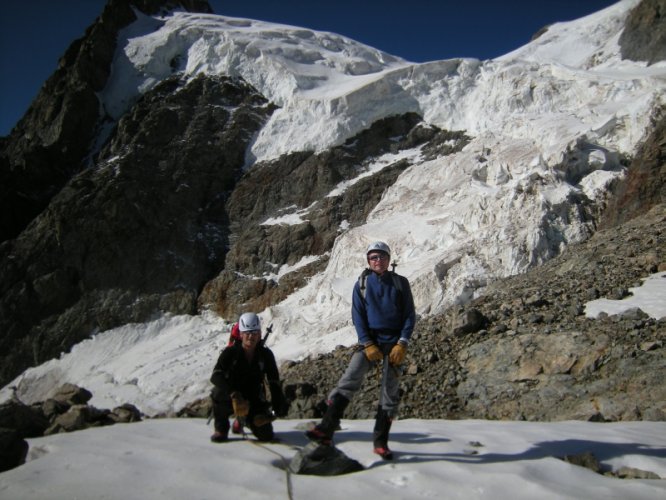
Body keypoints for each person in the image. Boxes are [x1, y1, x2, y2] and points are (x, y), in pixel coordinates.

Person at [306, 241, 416, 459]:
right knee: (349, 380)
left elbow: (409, 314)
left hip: (394, 344)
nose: (378, 261)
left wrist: (402, 343)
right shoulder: (362, 284)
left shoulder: (400, 283)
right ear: (368, 261)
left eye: (382, 257)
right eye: (374, 258)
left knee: (389, 393)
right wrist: (367, 343)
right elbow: (358, 316)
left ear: (388, 259)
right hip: (371, 342)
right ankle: (326, 429)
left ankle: (380, 443)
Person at [209, 312, 288, 442]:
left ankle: (242, 421)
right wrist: (233, 393)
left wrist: (277, 402)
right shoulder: (231, 353)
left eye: (254, 333)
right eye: (247, 333)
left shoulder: (265, 355)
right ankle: (221, 429)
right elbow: (216, 376)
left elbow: (273, 380)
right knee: (219, 393)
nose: (251, 337)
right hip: (231, 395)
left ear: (259, 334)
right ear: (241, 334)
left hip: (253, 397)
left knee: (266, 435)